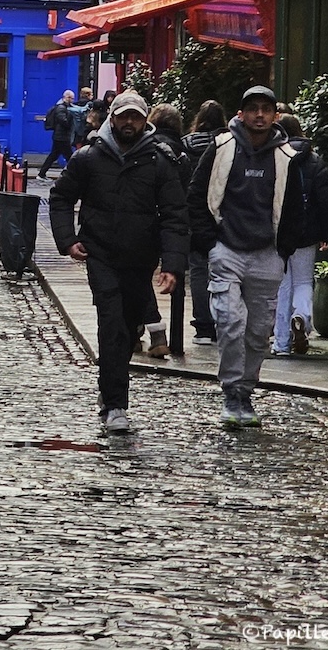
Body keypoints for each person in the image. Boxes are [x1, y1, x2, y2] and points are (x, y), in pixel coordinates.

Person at [49, 90, 188, 434]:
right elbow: (61, 196)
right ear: (112, 118)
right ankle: (115, 404)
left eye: (135, 117)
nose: (129, 122)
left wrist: (171, 264)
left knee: (127, 330)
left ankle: (109, 387)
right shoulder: (89, 157)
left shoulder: (159, 161)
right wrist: (67, 240)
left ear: (145, 121)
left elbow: (174, 215)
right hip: (101, 254)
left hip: (140, 259)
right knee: (111, 325)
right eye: (123, 116)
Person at [187, 85, 303, 428]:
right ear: (241, 113)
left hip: (267, 252)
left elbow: (295, 206)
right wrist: (209, 242)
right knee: (229, 322)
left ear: (275, 115)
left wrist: (284, 249)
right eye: (253, 109)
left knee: (257, 331)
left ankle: (246, 391)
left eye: (266, 109)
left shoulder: (285, 157)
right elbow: (196, 194)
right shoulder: (222, 147)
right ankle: (232, 391)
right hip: (227, 249)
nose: (259, 115)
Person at [271, 112, 328, 356]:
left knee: (282, 286)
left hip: (279, 232)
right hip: (307, 231)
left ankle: (280, 344)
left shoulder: (275, 157)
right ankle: (301, 316)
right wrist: (327, 233)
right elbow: (326, 200)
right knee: (302, 281)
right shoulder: (315, 161)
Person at [138, 103, 192, 357]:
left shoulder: (146, 149)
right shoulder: (184, 153)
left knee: (138, 278)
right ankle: (138, 331)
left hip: (148, 223)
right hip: (177, 224)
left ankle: (156, 332)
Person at [181, 100, 227, 345]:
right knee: (223, 269)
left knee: (198, 269)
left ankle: (203, 326)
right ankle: (223, 322)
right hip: (222, 212)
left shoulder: (187, 144)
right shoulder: (227, 144)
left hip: (194, 212)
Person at [38, 88, 80, 180]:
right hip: (61, 137)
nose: (72, 100)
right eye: (71, 98)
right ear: (67, 97)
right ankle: (75, 175)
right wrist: (71, 115)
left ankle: (41, 174)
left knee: (53, 156)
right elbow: (64, 122)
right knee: (70, 157)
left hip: (60, 136)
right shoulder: (61, 108)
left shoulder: (66, 107)